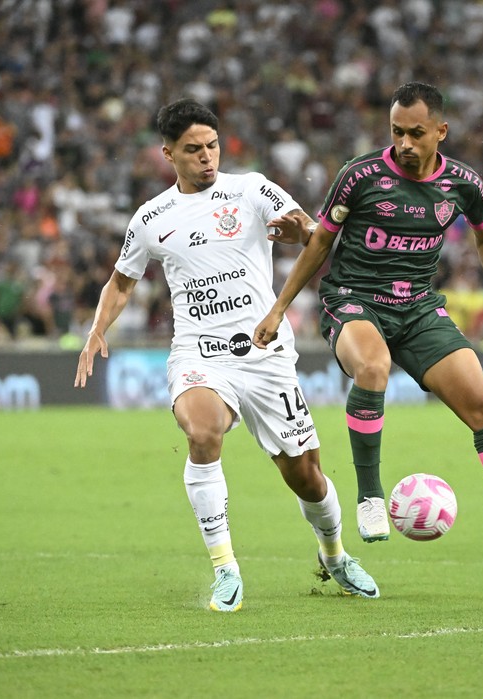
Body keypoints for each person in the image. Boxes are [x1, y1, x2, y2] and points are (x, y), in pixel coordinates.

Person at [254, 82, 483, 569]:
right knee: (373, 367)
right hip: (354, 299)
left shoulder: (463, 184)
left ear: (441, 131)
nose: (404, 143)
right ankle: (370, 497)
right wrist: (279, 307)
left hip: (419, 308)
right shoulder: (359, 175)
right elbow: (320, 241)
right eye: (396, 132)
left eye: (416, 133)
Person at [74, 98, 379, 611]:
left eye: (212, 146)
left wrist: (301, 232)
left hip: (265, 356)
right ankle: (225, 568)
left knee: (306, 476)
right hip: (199, 353)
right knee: (202, 431)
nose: (206, 157)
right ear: (168, 154)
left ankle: (334, 554)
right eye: (193, 149)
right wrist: (96, 330)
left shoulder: (251, 189)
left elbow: (312, 230)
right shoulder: (151, 217)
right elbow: (121, 282)